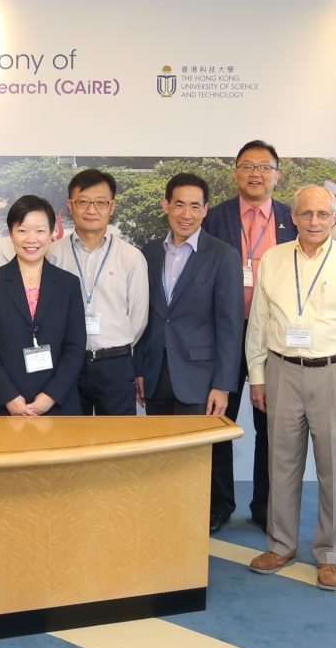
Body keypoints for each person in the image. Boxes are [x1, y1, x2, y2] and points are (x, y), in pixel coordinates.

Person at [244, 186, 336, 586]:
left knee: (334, 468)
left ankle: (330, 554)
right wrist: (258, 376)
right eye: (307, 214)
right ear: (294, 218)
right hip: (283, 369)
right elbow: (260, 322)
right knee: (281, 462)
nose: (315, 222)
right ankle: (280, 545)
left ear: (334, 218)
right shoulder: (273, 258)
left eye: (323, 214)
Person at [202, 140, 294, 530]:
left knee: (271, 424)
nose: (256, 174)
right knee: (218, 422)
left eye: (264, 167)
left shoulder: (294, 219)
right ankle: (219, 504)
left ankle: (266, 505)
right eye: (247, 166)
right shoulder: (215, 217)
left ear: (277, 174)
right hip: (223, 333)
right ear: (236, 172)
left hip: (274, 337)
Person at [138, 175, 243, 484]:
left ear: (206, 210)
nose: (186, 214)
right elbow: (147, 316)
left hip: (200, 377)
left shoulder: (223, 256)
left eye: (195, 206)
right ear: (166, 206)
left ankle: (191, 525)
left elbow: (230, 326)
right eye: (179, 205)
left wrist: (223, 385)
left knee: (192, 462)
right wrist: (140, 369)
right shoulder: (151, 252)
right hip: (156, 373)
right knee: (158, 456)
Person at [0, 196, 87, 415]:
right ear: (11, 234)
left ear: (52, 234)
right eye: (22, 230)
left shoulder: (68, 284)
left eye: (40, 231)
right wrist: (9, 397)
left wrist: (50, 396)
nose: (31, 239)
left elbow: (75, 347)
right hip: (1, 403)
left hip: (56, 404)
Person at [47, 168, 150, 415]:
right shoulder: (52, 254)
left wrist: (112, 345)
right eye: (82, 202)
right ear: (70, 206)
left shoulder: (131, 257)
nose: (91, 210)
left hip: (115, 365)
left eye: (101, 203)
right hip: (66, 364)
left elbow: (138, 317)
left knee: (118, 444)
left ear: (112, 207)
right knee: (70, 443)